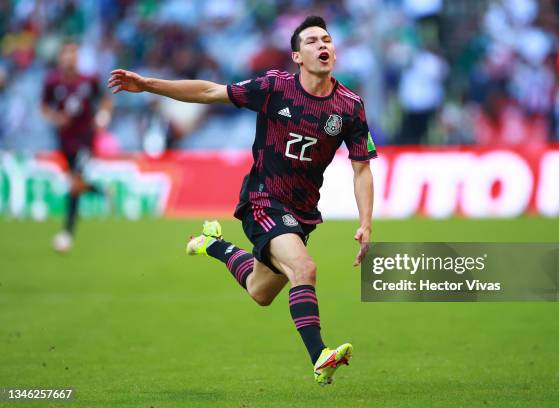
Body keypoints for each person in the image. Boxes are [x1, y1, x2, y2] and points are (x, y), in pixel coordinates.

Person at [108, 16, 376, 386]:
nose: (322, 44)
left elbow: (361, 169)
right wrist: (148, 84)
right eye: (312, 41)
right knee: (304, 269)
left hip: (302, 212)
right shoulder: (275, 87)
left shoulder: (349, 106)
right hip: (262, 199)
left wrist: (366, 222)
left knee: (260, 291)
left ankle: (213, 245)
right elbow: (208, 92)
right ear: (297, 56)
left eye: (326, 39)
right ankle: (320, 357)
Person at [41, 41, 113, 252]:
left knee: (74, 185)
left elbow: (105, 100)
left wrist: (103, 117)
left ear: (77, 57)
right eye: (66, 53)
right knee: (76, 182)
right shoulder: (52, 82)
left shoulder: (89, 80)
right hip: (64, 140)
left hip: (84, 139)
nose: (69, 58)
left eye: (73, 53)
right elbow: (44, 107)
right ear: (60, 57)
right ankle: (101, 191)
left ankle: (66, 234)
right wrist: (56, 118)